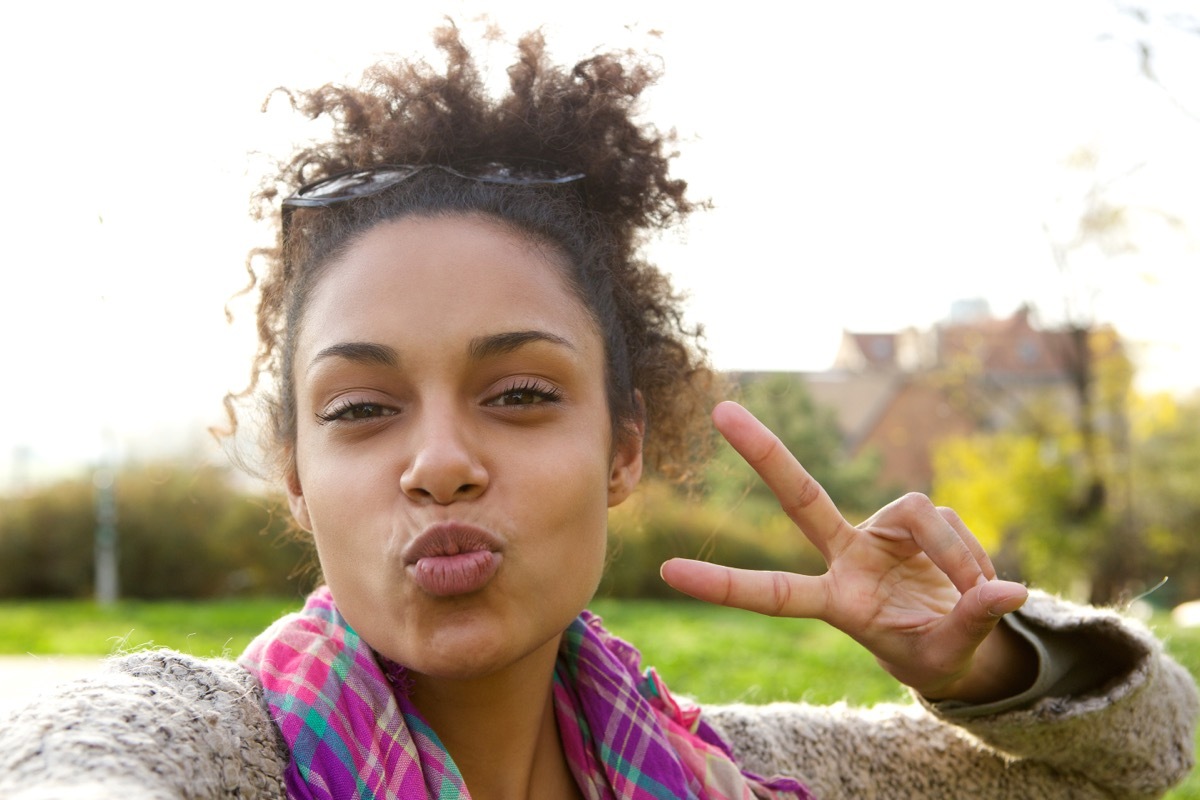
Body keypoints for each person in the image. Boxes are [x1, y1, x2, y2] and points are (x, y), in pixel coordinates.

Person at [1, 24, 1196, 800]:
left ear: (622, 446)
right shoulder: (217, 749)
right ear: (298, 473)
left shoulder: (737, 768)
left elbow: (1144, 754)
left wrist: (982, 661)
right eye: (362, 407)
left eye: (519, 393)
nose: (439, 463)